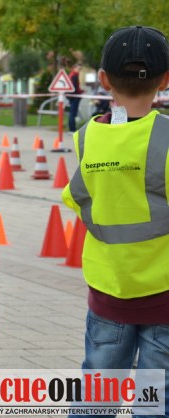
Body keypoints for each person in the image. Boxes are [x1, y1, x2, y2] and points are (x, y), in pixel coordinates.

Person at [62, 26, 169, 418]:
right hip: (164, 296)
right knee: (154, 402)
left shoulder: (86, 138)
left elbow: (75, 197)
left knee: (96, 397)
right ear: (166, 79)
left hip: (108, 293)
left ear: (104, 80)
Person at [68, 62, 84, 132]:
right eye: (78, 69)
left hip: (72, 96)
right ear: (74, 68)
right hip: (74, 97)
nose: (79, 70)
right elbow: (74, 88)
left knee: (72, 113)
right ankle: (72, 129)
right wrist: (80, 92)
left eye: (80, 69)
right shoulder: (74, 75)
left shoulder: (72, 75)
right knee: (73, 114)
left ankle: (72, 128)